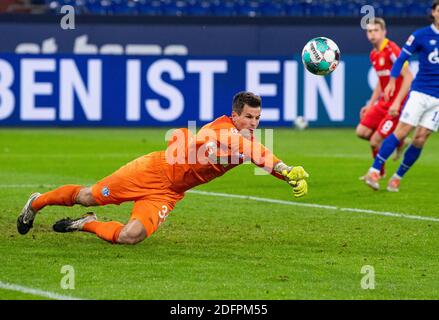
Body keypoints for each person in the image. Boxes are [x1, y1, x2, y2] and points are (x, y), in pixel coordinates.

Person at [17, 92, 309, 245]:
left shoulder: (248, 140)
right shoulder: (219, 130)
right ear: (235, 116)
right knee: (87, 195)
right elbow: (251, 151)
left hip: (169, 193)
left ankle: (86, 223)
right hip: (151, 171)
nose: (254, 123)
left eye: (257, 118)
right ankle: (36, 202)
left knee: (130, 237)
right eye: (248, 117)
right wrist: (285, 166)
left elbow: (258, 157)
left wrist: (286, 176)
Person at [364, 0, 439, 192]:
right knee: (402, 131)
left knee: (421, 138)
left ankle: (397, 177)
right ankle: (374, 170)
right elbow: (401, 59)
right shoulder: (421, 35)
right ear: (433, 13)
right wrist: (391, 81)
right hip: (421, 92)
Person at [356, 17, 413, 179]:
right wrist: (371, 103)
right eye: (369, 31)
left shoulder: (392, 50)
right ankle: (399, 141)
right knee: (361, 131)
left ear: (383, 32)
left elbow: (408, 77)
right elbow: (381, 83)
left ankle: (377, 173)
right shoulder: (374, 54)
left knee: (375, 141)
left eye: (375, 30)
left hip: (397, 103)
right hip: (383, 102)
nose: (372, 34)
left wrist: (396, 102)